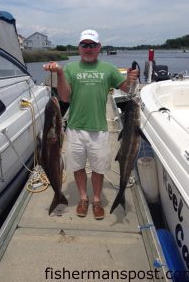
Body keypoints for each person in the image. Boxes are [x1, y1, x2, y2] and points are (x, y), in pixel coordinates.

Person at [43, 29, 139, 220]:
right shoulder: (70, 69)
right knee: (77, 167)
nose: (88, 48)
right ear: (79, 47)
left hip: (99, 129)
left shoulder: (108, 69)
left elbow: (127, 89)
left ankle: (96, 200)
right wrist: (60, 73)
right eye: (84, 45)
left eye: (92, 45)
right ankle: (83, 198)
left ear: (99, 47)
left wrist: (131, 79)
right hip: (75, 128)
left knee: (98, 168)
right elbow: (64, 97)